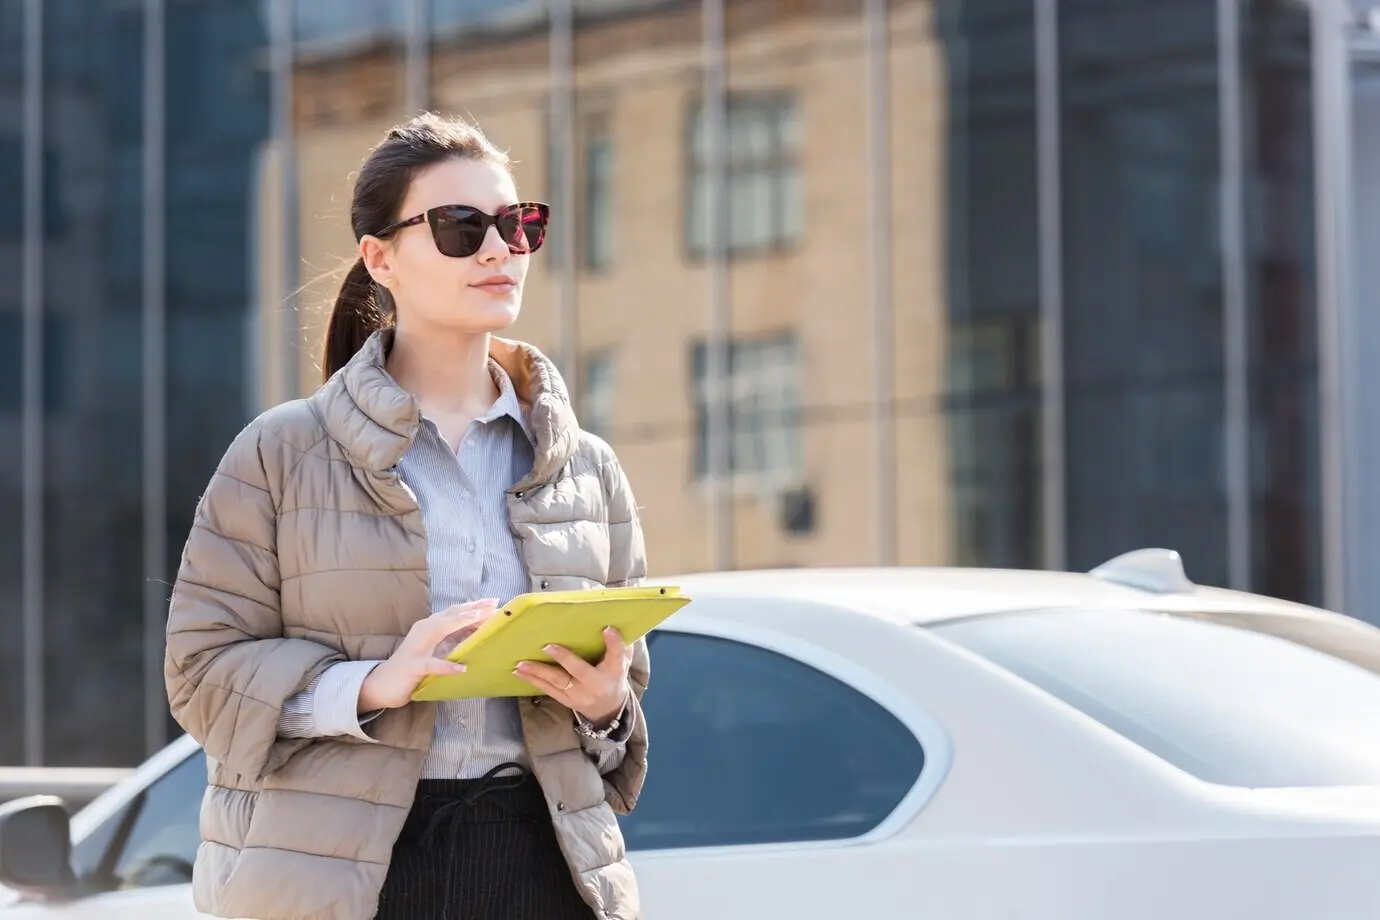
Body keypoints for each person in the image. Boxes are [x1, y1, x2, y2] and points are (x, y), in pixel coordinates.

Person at [164, 113, 649, 920]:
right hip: (345, 879)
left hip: (546, 868)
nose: (500, 250)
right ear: (379, 257)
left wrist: (606, 707)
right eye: (462, 228)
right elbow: (200, 674)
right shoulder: (283, 451)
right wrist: (372, 685)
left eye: (517, 224)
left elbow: (624, 716)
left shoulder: (585, 466)